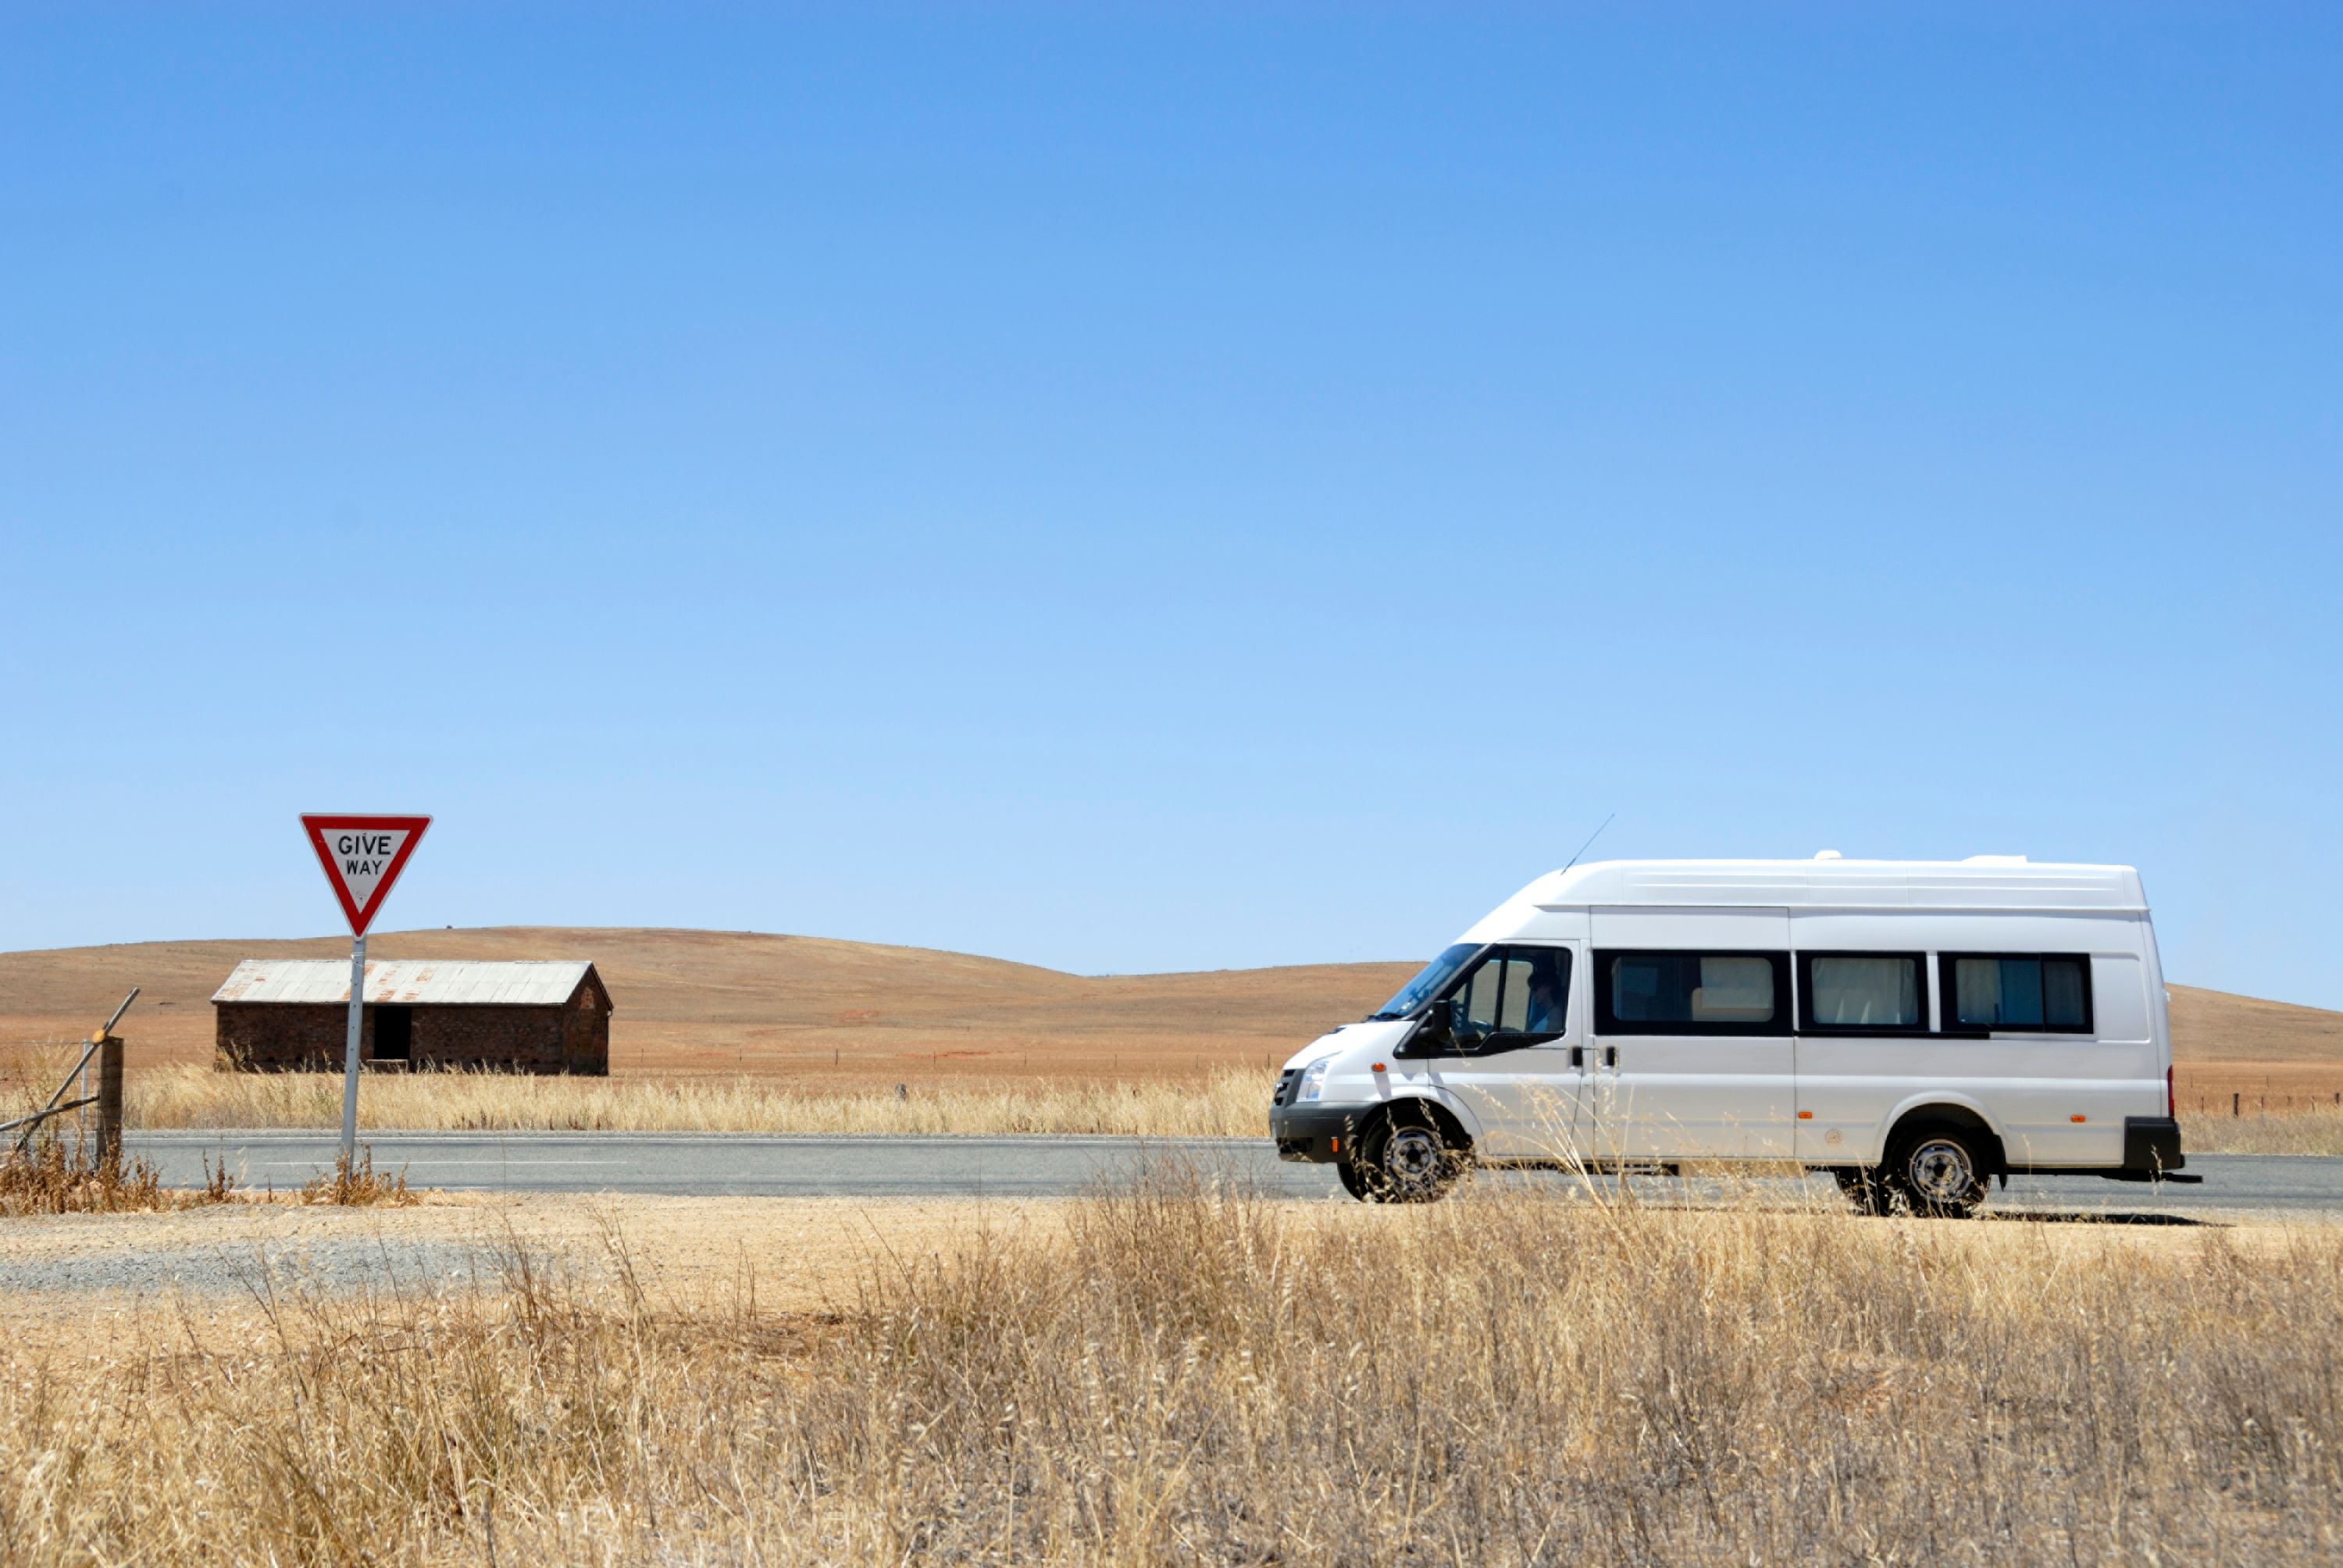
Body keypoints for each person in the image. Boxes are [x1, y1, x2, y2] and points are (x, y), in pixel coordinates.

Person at [1523, 958, 1567, 1034]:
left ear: (1548, 987)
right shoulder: (1549, 1013)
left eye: (1535, 988)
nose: (1533, 994)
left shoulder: (1556, 1015)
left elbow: (1550, 1042)